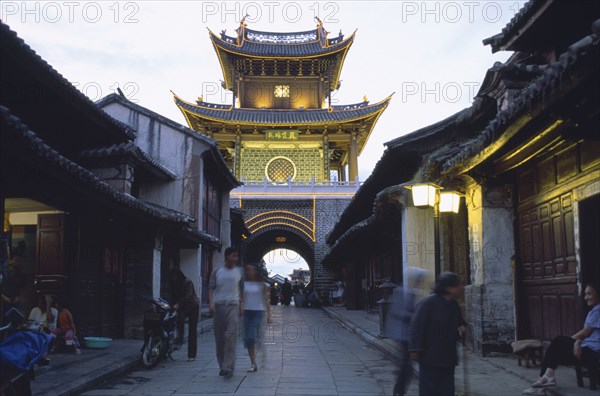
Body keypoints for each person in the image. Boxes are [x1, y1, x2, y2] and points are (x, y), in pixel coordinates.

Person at [527, 282, 600, 389]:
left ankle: (545, 377)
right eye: (585, 294)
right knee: (556, 345)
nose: (586, 297)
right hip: (587, 348)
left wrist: (573, 341)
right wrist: (577, 341)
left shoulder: (598, 311)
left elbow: (586, 332)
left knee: (559, 341)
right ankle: (546, 376)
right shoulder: (594, 310)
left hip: (593, 353)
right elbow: (589, 335)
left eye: (589, 294)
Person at [409, 272, 465, 396]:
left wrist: (461, 328)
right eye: (458, 286)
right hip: (430, 355)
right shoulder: (429, 303)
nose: (461, 288)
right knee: (429, 390)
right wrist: (415, 349)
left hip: (448, 355)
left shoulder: (454, 304)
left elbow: (460, 323)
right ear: (448, 288)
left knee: (447, 389)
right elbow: (417, 326)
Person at [384, 268, 427, 396]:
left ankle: (400, 389)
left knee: (407, 363)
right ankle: (399, 390)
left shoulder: (413, 292)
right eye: (419, 279)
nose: (420, 282)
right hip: (400, 332)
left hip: (408, 333)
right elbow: (397, 312)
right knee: (405, 363)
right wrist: (415, 315)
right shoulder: (401, 291)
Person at [209, 247, 244, 379]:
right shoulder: (217, 271)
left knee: (230, 336)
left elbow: (242, 289)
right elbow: (211, 288)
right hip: (219, 307)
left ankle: (227, 366)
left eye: (237, 256)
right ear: (227, 256)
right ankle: (223, 365)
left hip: (233, 306)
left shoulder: (239, 271)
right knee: (220, 339)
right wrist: (211, 303)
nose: (235, 259)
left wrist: (242, 305)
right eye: (233, 256)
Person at [243, 263, 272, 373]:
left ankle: (261, 352)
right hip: (246, 312)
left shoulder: (262, 285)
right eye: (247, 270)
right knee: (249, 339)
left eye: (250, 270)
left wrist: (269, 315)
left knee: (252, 335)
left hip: (258, 312)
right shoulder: (244, 284)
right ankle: (253, 363)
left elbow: (266, 300)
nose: (248, 272)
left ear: (256, 271)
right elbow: (241, 298)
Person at [169, 268, 200, 362]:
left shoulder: (188, 282)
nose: (173, 279)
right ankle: (180, 340)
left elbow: (189, 296)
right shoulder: (173, 284)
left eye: (174, 277)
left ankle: (191, 355)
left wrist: (178, 304)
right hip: (183, 307)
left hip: (193, 306)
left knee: (192, 330)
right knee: (179, 319)